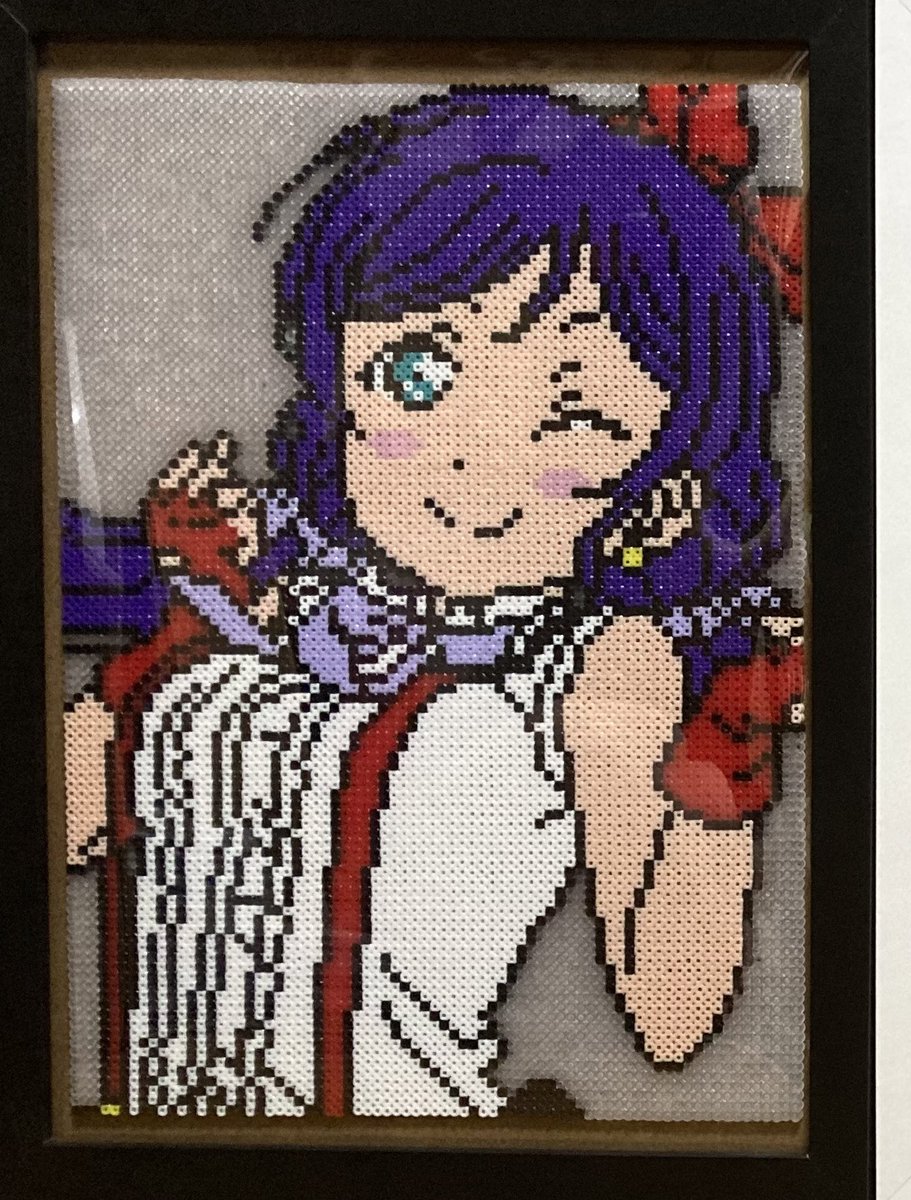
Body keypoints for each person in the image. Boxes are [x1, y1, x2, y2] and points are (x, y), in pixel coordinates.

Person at [63, 85, 804, 1118]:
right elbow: (63, 826)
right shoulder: (258, 583)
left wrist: (722, 757)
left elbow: (672, 1013)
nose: (472, 455)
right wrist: (170, 635)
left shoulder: (605, 664)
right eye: (417, 374)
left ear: (667, 476)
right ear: (340, 378)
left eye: (573, 413)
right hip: (129, 1158)